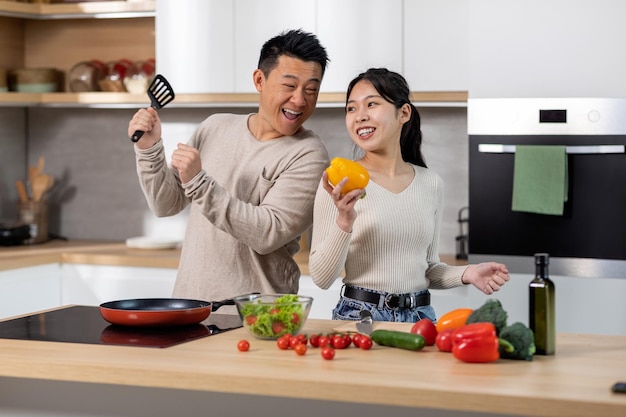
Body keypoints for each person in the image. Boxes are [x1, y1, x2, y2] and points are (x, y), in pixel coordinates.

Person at [127, 29, 330, 310]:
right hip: (189, 308)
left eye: (311, 90)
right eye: (289, 86)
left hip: (260, 317)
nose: (299, 100)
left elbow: (267, 233)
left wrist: (199, 182)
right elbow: (166, 204)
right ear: (260, 80)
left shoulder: (309, 155)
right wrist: (149, 150)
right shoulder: (215, 127)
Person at [309, 68, 510, 323]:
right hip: (360, 317)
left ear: (404, 113)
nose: (359, 116)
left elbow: (428, 269)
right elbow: (321, 278)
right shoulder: (340, 182)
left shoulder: (430, 183)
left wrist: (468, 273)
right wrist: (344, 222)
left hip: (420, 317)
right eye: (351, 108)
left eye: (371, 104)